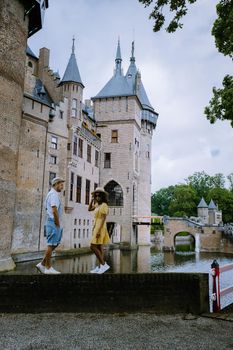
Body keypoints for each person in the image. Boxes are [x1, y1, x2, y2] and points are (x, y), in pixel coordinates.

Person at [36, 177, 65, 274]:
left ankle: (42, 264)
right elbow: (54, 210)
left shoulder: (52, 194)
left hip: (52, 221)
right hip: (53, 221)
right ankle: (48, 268)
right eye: (61, 185)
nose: (62, 187)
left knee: (55, 243)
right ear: (56, 184)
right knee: (51, 244)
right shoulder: (53, 195)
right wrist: (57, 223)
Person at [88, 187, 110, 274]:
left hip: (100, 227)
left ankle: (103, 264)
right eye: (96, 196)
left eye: (99, 196)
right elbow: (89, 209)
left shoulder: (104, 205)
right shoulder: (97, 204)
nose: (97, 197)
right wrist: (92, 200)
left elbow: (104, 219)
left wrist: (98, 231)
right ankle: (100, 266)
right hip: (96, 226)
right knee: (99, 247)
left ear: (102, 196)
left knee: (92, 246)